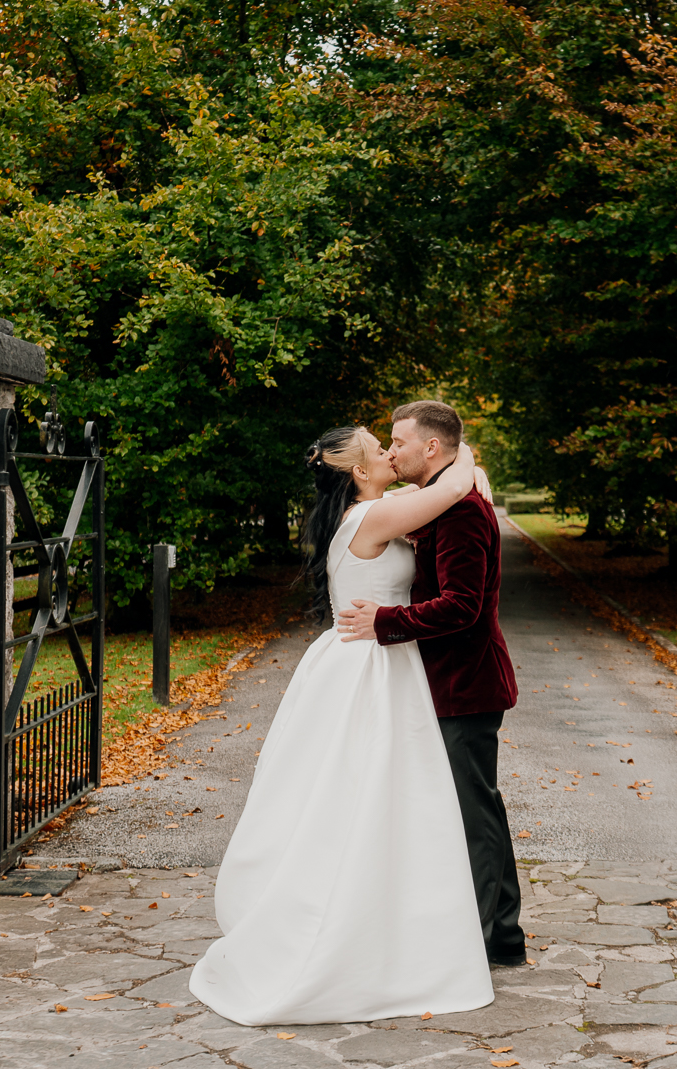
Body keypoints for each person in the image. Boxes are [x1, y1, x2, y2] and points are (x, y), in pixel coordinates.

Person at [188, 422, 495, 1025]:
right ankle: (350, 921)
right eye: (377, 449)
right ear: (357, 472)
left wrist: (457, 468)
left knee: (372, 796)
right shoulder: (373, 519)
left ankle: (389, 914)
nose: (387, 451)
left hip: (366, 658)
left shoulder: (376, 510)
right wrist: (461, 454)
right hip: (369, 667)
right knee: (364, 795)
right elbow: (461, 482)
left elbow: (453, 490)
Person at [336, 400, 526, 968]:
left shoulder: (463, 510)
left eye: (399, 441)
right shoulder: (437, 503)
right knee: (476, 809)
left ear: (432, 448)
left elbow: (462, 607)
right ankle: (502, 936)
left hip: (466, 683)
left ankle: (490, 939)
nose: (392, 451)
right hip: (444, 682)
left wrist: (384, 621)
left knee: (474, 813)